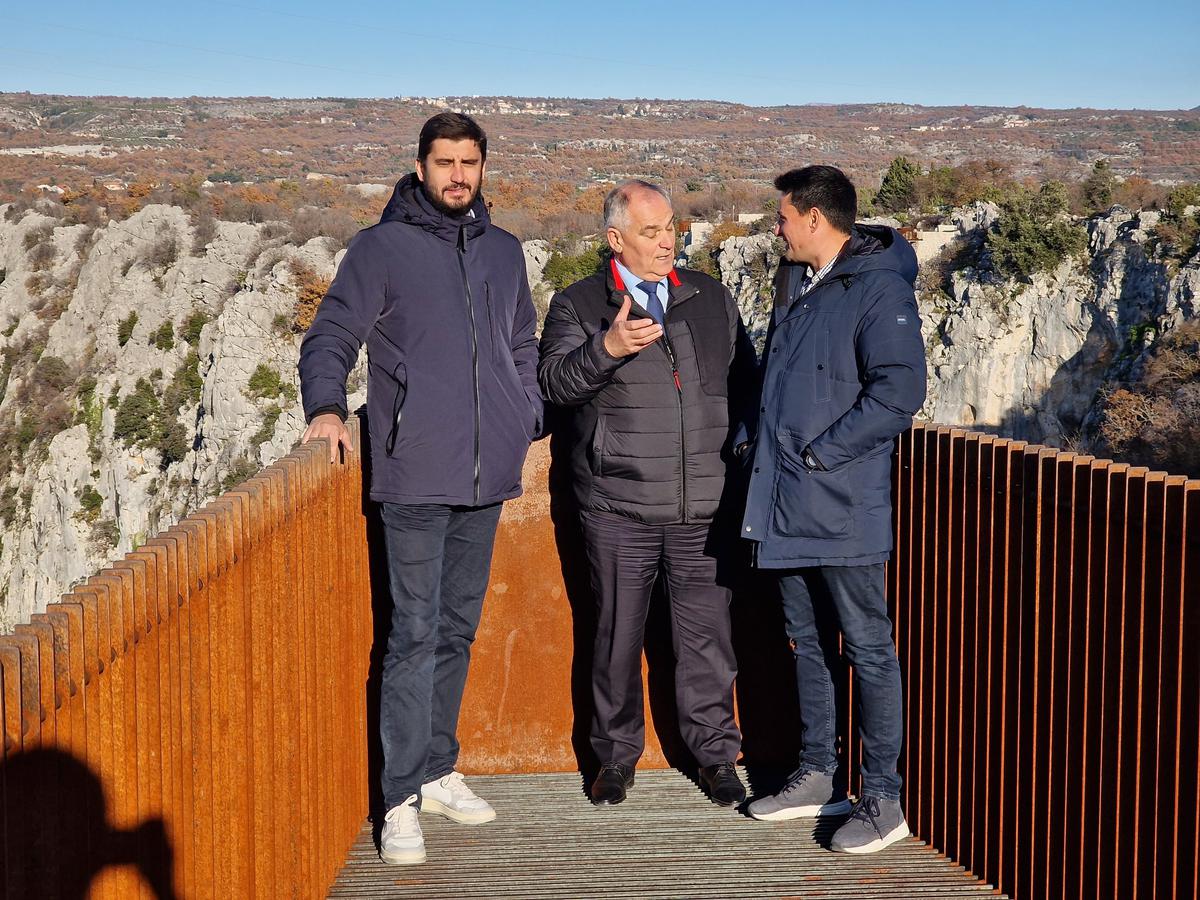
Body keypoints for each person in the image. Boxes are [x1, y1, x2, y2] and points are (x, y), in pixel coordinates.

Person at [298, 112, 542, 866]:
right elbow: (332, 331)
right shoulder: (381, 248)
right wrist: (327, 409)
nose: (458, 176)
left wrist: (522, 415)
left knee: (456, 631)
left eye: (469, 163)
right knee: (411, 636)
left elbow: (523, 342)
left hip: (484, 476)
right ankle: (399, 796)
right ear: (420, 166)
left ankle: (438, 766)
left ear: (482, 167)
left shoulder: (504, 252)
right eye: (445, 163)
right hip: (411, 473)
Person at [538, 179, 757, 808]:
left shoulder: (711, 299)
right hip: (618, 507)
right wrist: (606, 348)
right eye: (652, 232)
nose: (669, 242)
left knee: (708, 641)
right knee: (614, 638)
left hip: (704, 508)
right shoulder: (580, 305)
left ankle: (717, 758)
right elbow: (554, 385)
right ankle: (613, 759)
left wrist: (736, 454)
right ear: (616, 239)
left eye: (673, 229)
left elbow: (746, 386)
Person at [740, 165, 926, 853]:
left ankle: (883, 798)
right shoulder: (801, 284)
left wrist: (816, 456)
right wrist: (751, 445)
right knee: (807, 641)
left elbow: (899, 393)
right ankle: (819, 774)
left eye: (783, 216)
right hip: (786, 499)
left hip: (839, 502)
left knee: (869, 649)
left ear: (815, 218)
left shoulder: (876, 288)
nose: (776, 226)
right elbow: (778, 383)